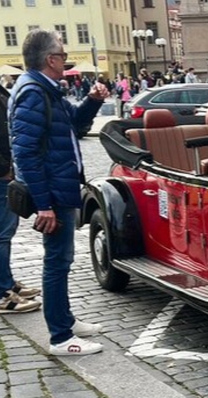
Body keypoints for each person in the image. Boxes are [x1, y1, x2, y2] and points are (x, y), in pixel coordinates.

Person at [8, 29, 109, 355]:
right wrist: (44, 205)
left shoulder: (46, 90)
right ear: (51, 59)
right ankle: (61, 337)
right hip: (52, 192)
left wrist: (93, 102)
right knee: (56, 261)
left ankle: (64, 319)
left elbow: (73, 124)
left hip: (59, 187)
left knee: (62, 261)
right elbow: (24, 153)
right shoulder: (34, 92)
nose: (66, 59)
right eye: (63, 55)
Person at [0, 83, 42, 314]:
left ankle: (7, 282)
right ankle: (3, 293)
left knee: (6, 231)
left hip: (6, 171)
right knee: (2, 234)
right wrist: (3, 168)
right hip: (2, 174)